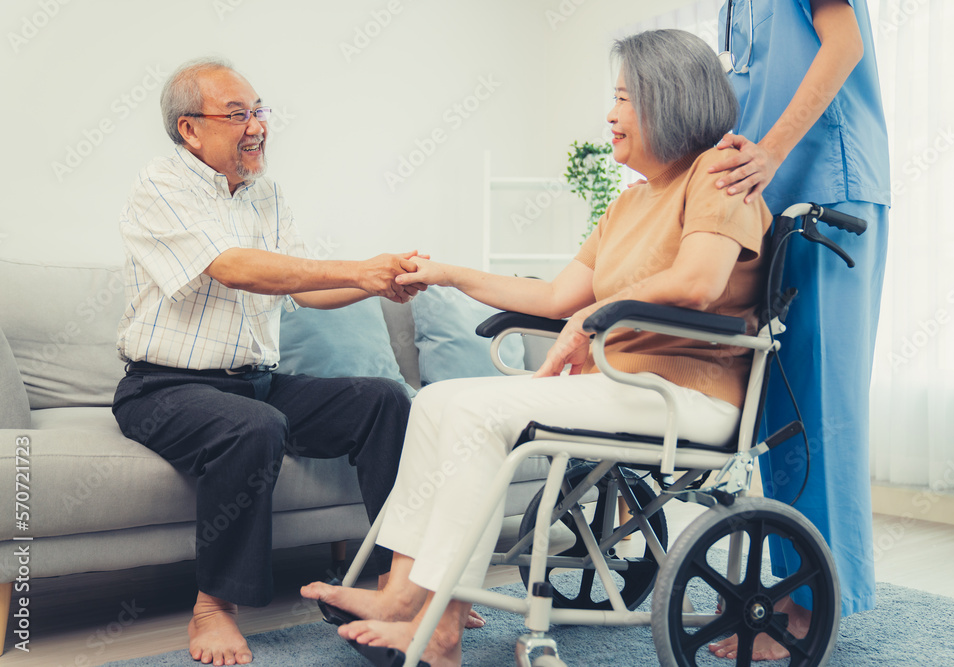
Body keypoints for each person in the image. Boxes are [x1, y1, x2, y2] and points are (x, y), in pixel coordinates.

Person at [300, 29, 771, 666]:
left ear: (671, 100)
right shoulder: (630, 201)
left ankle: (439, 629)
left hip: (686, 395)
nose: (610, 114)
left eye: (624, 98)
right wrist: (448, 273)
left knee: (473, 413)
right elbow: (554, 296)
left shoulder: (716, 178)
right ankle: (402, 595)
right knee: (435, 401)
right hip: (623, 386)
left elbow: (699, 281)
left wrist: (594, 318)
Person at [112, 57, 424, 666]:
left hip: (255, 383)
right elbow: (233, 266)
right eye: (237, 115)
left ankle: (394, 587)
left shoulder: (268, 195)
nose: (256, 126)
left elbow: (305, 291)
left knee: (385, 399)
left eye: (258, 111)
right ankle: (213, 608)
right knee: (256, 427)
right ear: (189, 130)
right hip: (162, 389)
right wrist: (355, 268)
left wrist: (377, 283)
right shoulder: (160, 186)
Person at [705, 0, 890, 661]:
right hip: (769, 195)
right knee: (775, 403)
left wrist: (772, 150)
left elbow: (843, 45)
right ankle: (787, 586)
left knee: (822, 404)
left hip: (829, 185)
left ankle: (819, 602)